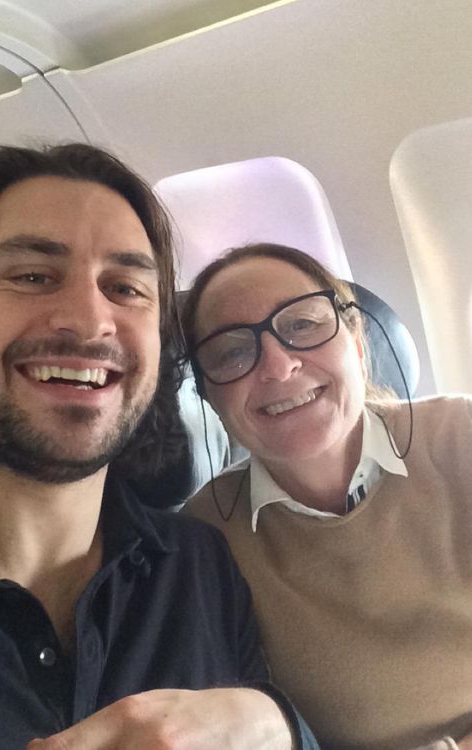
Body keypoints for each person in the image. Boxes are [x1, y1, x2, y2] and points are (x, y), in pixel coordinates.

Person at [0, 146, 320, 750]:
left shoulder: (199, 565)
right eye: (33, 276)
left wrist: (276, 725)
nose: (88, 320)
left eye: (126, 288)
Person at [182, 242, 472, 750]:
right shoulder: (205, 533)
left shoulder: (461, 436)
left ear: (357, 342)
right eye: (232, 350)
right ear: (210, 397)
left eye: (302, 325)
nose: (277, 367)